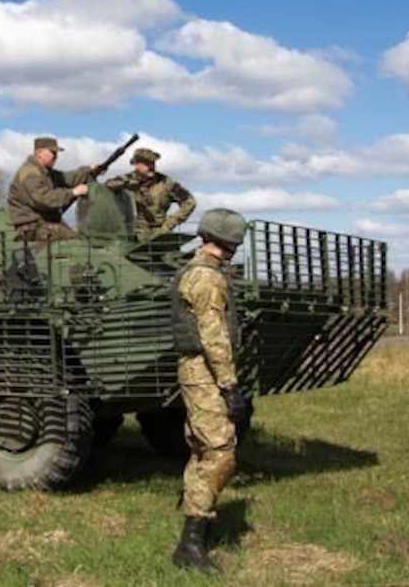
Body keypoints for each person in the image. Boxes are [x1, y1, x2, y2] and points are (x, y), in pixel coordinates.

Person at [170, 208, 250, 573]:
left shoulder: (199, 270)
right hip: (205, 373)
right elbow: (213, 336)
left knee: (201, 449)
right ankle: (190, 543)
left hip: (197, 372)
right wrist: (230, 386)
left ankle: (194, 527)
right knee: (219, 453)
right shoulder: (206, 277)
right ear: (231, 241)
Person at [7, 136, 96, 241]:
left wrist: (89, 170)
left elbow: (67, 178)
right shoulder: (30, 174)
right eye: (52, 152)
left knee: (79, 241)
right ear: (39, 153)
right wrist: (73, 192)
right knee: (76, 244)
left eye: (56, 153)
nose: (56, 157)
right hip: (32, 227)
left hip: (44, 224)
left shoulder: (45, 172)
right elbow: (44, 199)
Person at [105, 147, 196, 241]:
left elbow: (190, 202)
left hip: (160, 234)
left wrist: (169, 225)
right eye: (146, 163)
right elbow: (106, 187)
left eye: (153, 163)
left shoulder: (165, 182)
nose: (151, 166)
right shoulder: (124, 180)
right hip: (131, 236)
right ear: (136, 164)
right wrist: (128, 185)